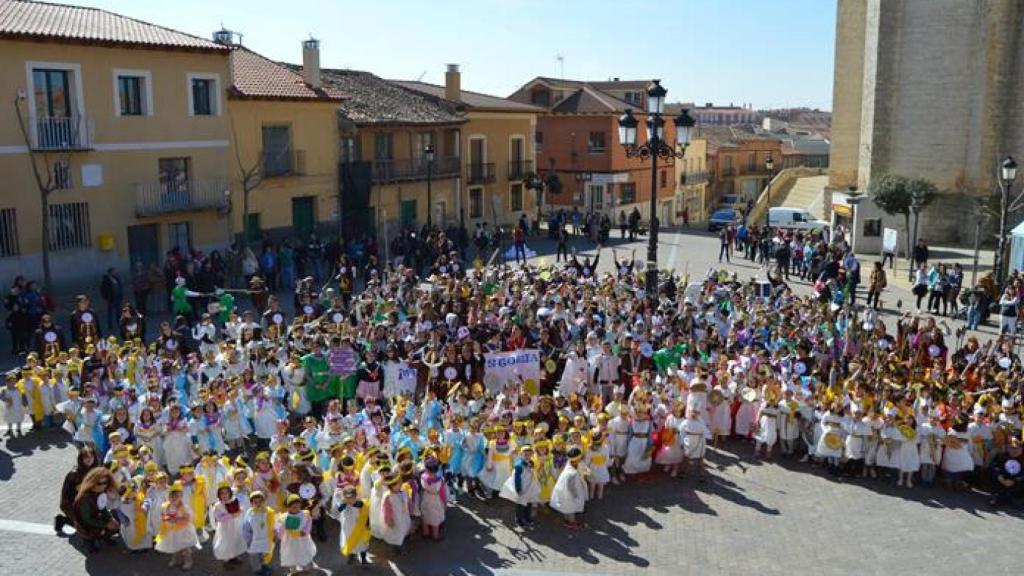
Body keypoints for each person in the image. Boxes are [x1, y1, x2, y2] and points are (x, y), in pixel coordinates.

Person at [70, 467, 119, 553]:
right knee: (92, 533)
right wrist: (105, 524)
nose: (103, 486)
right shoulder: (85, 499)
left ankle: (104, 537)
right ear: (92, 482)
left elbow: (102, 508)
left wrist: (110, 518)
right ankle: (89, 543)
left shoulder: (99, 492)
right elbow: (87, 519)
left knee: (114, 522)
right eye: (99, 483)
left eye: (105, 483)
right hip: (84, 524)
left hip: (95, 517)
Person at [56, 445, 99, 534]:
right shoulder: (75, 474)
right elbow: (80, 489)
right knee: (83, 523)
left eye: (91, 456)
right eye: (86, 457)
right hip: (70, 503)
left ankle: (63, 520)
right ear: (81, 459)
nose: (89, 459)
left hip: (84, 501)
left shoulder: (94, 469)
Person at [550, 445, 587, 530]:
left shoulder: (569, 464)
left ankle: (566, 520)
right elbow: (570, 486)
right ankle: (571, 523)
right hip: (570, 494)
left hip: (564, 491)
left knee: (566, 508)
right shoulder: (571, 473)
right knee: (571, 509)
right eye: (579, 459)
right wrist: (575, 495)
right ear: (576, 460)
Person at [277, 494, 317, 574]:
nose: (296, 508)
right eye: (293, 507)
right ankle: (293, 570)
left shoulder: (305, 514)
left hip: (302, 539)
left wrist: (305, 531)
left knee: (303, 552)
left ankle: (305, 566)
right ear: (288, 507)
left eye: (298, 506)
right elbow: (280, 528)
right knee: (291, 555)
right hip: (289, 541)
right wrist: (280, 536)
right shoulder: (284, 517)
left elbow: (309, 523)